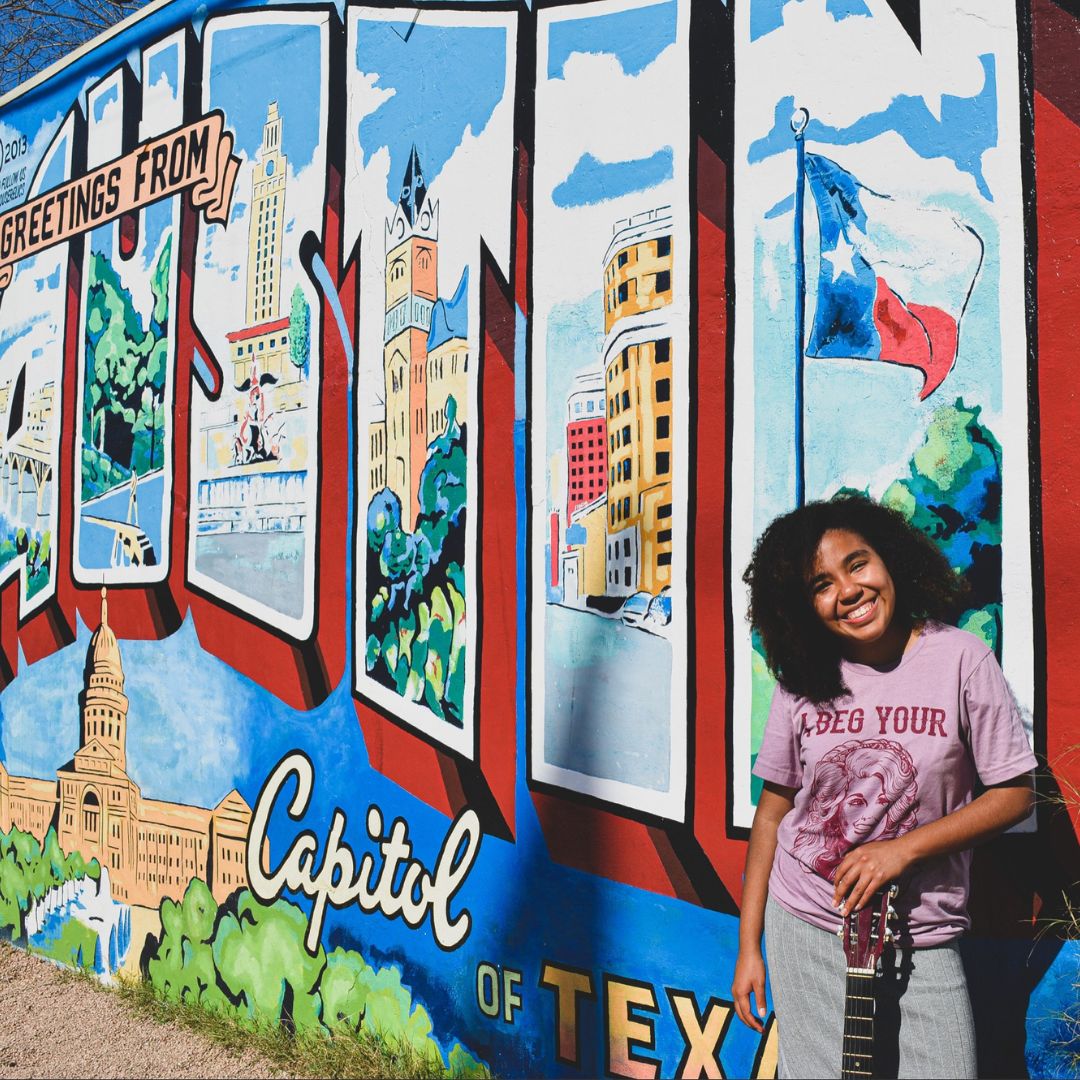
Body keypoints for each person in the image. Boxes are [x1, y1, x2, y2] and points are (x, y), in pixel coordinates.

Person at [731, 496, 1035, 1079]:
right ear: (804, 605)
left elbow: (1014, 793)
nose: (847, 590)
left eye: (858, 564)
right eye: (821, 584)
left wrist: (903, 850)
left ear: (890, 560)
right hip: (810, 920)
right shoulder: (803, 678)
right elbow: (771, 815)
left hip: (923, 929)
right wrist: (750, 949)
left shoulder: (961, 660)